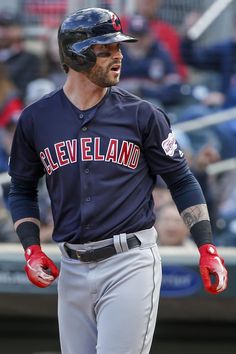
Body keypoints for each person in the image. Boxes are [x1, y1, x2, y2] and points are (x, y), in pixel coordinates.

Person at [8, 8, 227, 354]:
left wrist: (206, 246)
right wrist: (31, 247)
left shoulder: (142, 114)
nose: (118, 56)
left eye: (118, 47)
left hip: (130, 260)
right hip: (72, 265)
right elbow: (21, 189)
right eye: (106, 49)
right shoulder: (37, 119)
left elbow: (182, 181)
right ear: (77, 53)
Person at [120, 15, 182, 108]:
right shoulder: (114, 56)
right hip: (119, 104)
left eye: (142, 36)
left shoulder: (160, 55)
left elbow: (174, 90)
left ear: (150, 36)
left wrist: (143, 89)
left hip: (152, 105)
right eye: (133, 36)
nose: (138, 41)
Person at [0, 11, 41, 100]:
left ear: (19, 30)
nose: (2, 32)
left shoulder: (30, 59)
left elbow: (24, 91)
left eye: (7, 27)